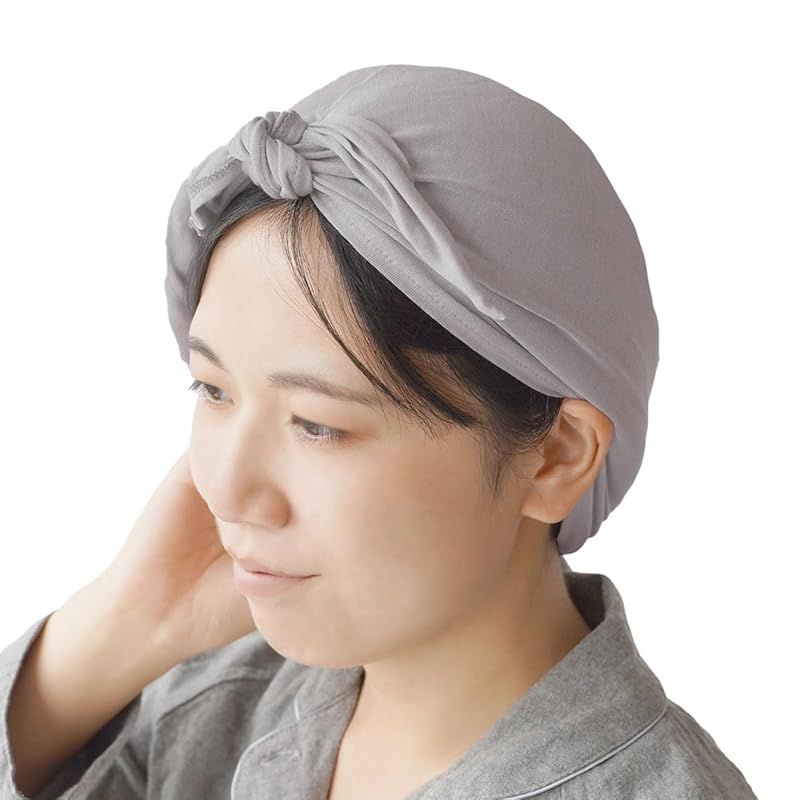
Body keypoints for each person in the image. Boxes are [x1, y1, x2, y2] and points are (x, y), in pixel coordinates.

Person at [0, 64, 758, 799]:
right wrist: (126, 623)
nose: (224, 488)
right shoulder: (207, 708)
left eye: (317, 425)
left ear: (555, 456)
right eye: (213, 389)